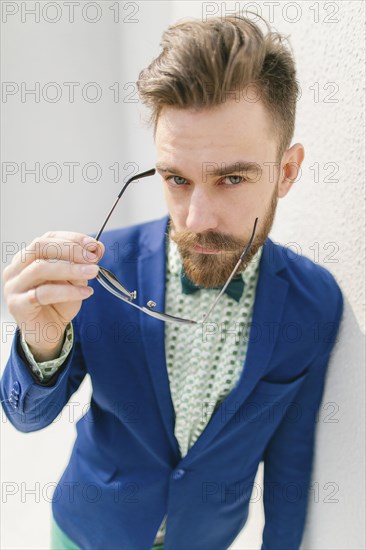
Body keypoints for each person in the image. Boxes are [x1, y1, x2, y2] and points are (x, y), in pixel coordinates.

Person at [0, 14, 343, 550]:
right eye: (176, 179)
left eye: (232, 178)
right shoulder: (103, 268)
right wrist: (40, 342)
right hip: (89, 530)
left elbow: (291, 465)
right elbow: (26, 419)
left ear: (287, 171)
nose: (198, 217)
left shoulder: (314, 304)